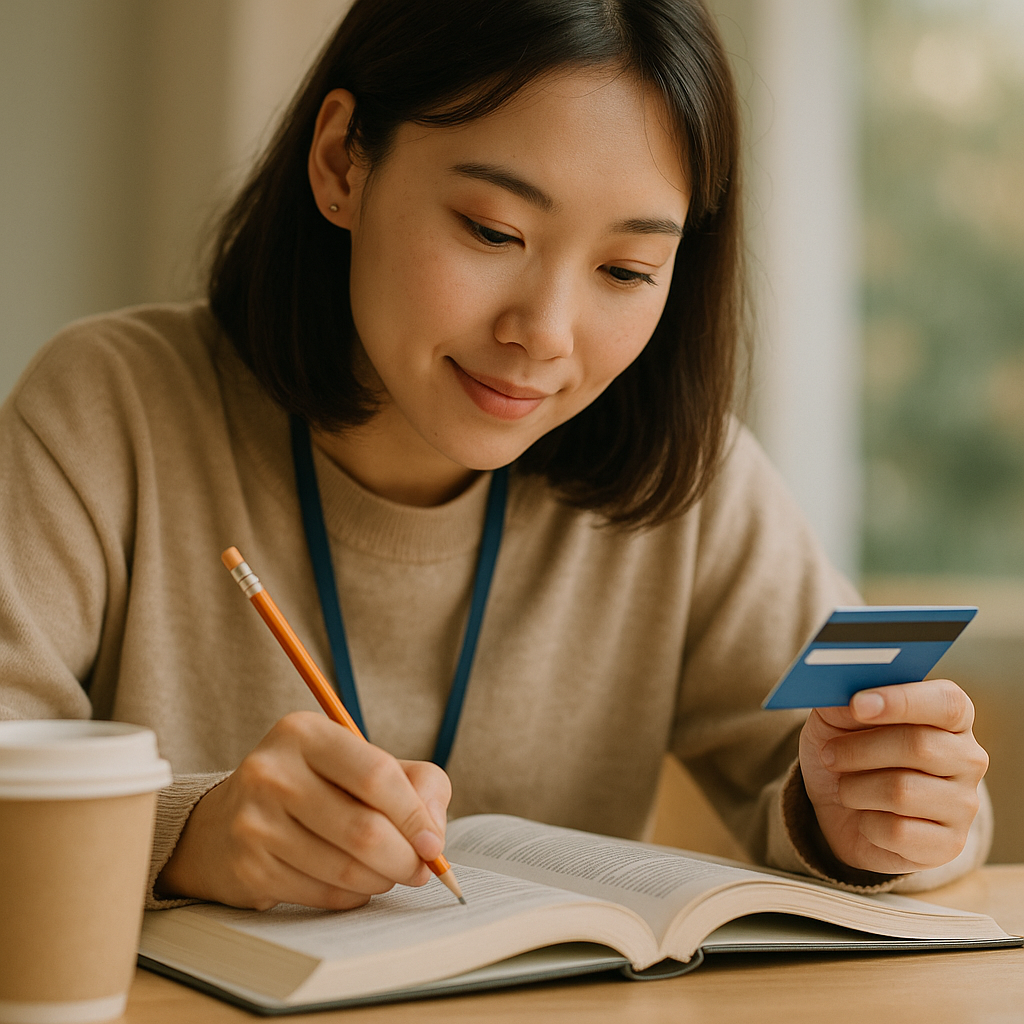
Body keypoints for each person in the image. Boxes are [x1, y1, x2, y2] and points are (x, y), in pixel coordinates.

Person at [0, 0, 990, 913]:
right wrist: (183, 836)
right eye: (492, 229)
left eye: (624, 270)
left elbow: (894, 783)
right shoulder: (108, 414)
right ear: (344, 161)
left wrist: (883, 813)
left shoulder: (683, 484)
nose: (545, 332)